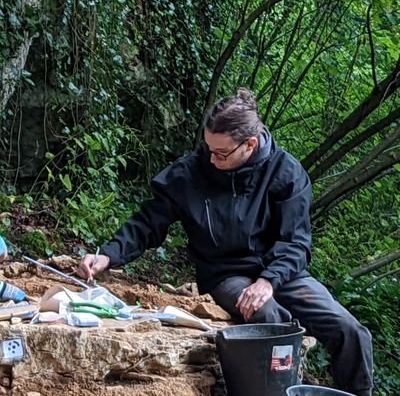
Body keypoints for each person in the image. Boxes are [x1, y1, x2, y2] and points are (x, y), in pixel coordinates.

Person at [77, 88, 373, 396]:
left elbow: (296, 243)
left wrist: (268, 281)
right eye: (208, 149)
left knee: (349, 330)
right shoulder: (190, 172)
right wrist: (108, 255)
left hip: (282, 273)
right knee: (269, 319)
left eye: (221, 153)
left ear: (250, 145)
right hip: (225, 272)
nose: (212, 159)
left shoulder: (287, 173)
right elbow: (148, 222)